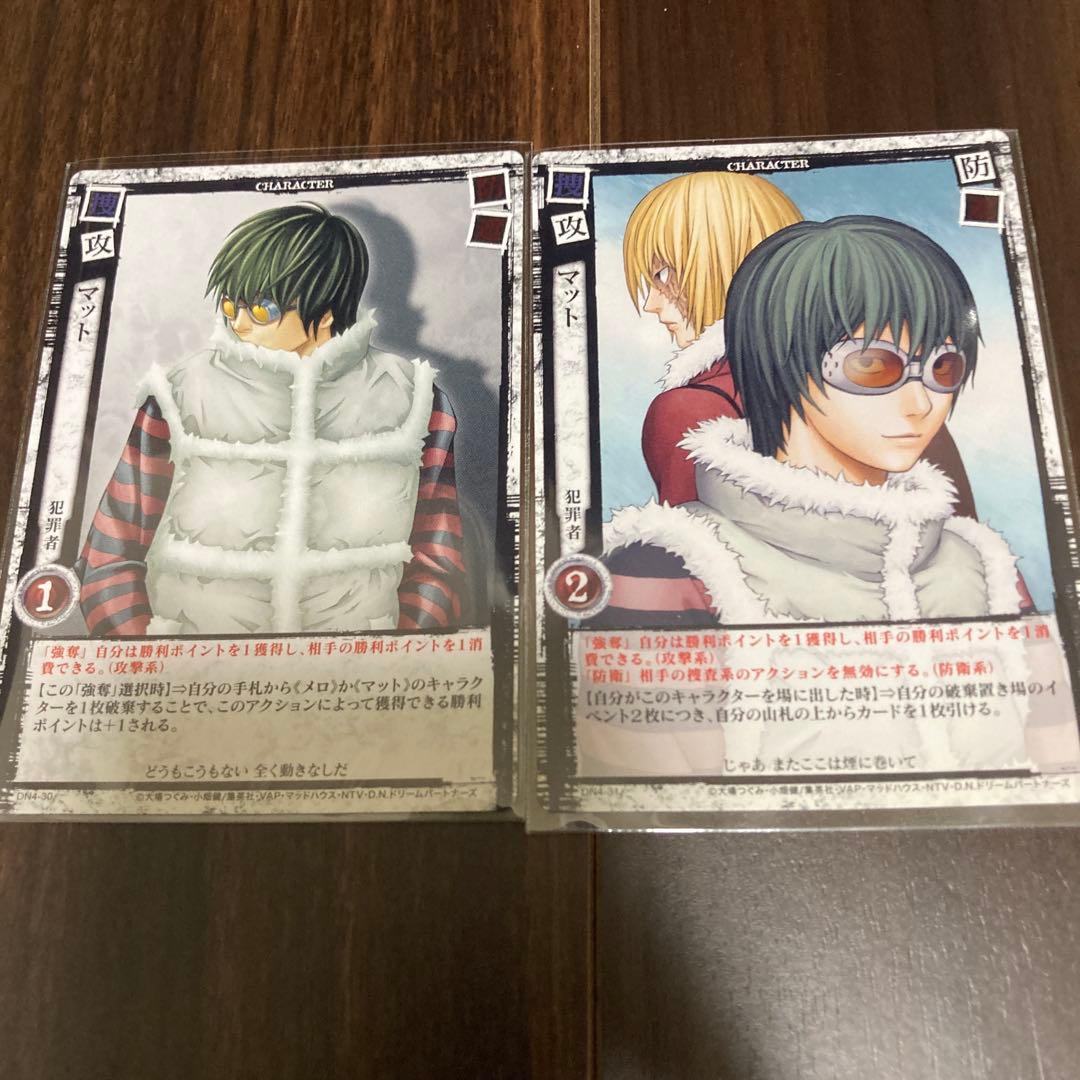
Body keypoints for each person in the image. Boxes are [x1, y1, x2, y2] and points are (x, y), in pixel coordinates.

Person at [600, 216, 1027, 625]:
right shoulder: (672, 563)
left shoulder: (986, 570)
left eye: (943, 367)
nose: (921, 403)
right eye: (872, 365)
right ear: (780, 361)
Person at [76, 203, 465, 636]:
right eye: (231, 305)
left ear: (327, 311)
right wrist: (147, 657)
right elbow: (109, 554)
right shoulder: (180, 394)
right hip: (187, 668)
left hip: (361, 669)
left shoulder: (414, 400)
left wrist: (400, 654)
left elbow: (436, 558)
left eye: (262, 310)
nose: (239, 324)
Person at [623, 173, 978, 517]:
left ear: (717, 263)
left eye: (664, 275)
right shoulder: (904, 400)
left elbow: (691, 545)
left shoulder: (691, 409)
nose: (651, 303)